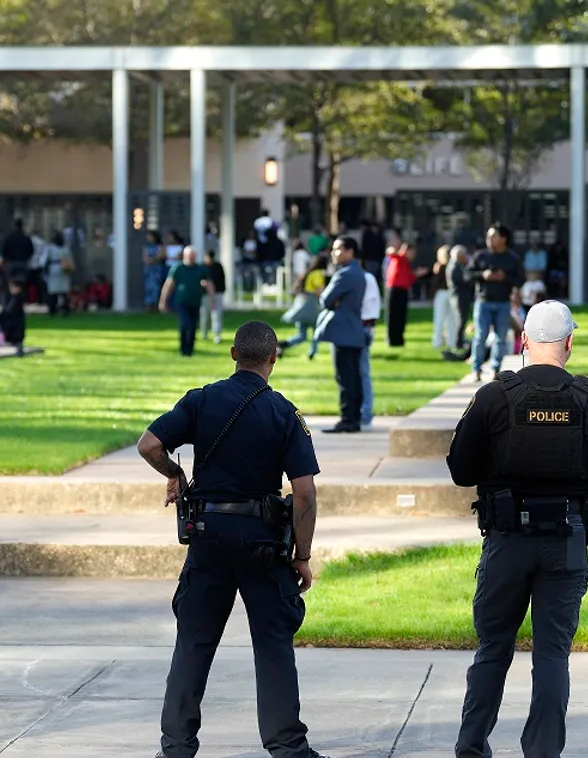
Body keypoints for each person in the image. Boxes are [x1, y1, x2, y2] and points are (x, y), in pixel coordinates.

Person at [447, 299, 588, 758]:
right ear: (570, 343)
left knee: (493, 649)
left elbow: (460, 469)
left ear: (523, 341)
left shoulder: (494, 397)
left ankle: (471, 748)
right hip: (567, 542)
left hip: (507, 541)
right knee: (552, 655)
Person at [135, 320, 328, 758]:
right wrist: (302, 555)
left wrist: (176, 474)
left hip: (207, 538)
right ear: (273, 357)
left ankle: (178, 746)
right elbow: (304, 493)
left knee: (194, 641)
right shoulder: (283, 412)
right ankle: (287, 746)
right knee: (273, 643)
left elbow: (149, 445)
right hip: (262, 543)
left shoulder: (201, 400)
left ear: (233, 355)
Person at [316, 237, 367, 433]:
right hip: (354, 331)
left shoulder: (344, 274)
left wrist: (334, 301)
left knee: (345, 378)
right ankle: (354, 418)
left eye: (337, 249)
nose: (333, 253)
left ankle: (347, 419)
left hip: (343, 332)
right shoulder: (359, 272)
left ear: (350, 252)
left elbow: (325, 300)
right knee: (353, 376)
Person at [467, 224, 526, 382]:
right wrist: (483, 275)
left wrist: (504, 277)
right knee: (480, 336)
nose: (489, 239)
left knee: (500, 337)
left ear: (503, 238)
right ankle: (476, 369)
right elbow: (468, 275)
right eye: (488, 236)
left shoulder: (512, 258)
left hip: (503, 302)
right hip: (483, 302)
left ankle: (495, 369)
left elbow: (521, 279)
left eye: (493, 236)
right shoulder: (480, 256)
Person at [160, 247, 214, 357]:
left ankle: (190, 350)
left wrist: (212, 300)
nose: (191, 257)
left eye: (193, 255)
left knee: (193, 325)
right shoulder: (178, 268)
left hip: (195, 301)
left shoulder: (200, 269)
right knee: (185, 324)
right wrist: (163, 301)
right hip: (182, 301)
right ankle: (183, 348)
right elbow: (169, 284)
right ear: (185, 255)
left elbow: (209, 284)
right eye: (190, 255)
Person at [280, 254, 326, 352]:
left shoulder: (307, 273)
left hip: (302, 306)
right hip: (312, 307)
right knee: (316, 331)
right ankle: (312, 352)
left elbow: (295, 288)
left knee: (302, 335)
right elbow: (319, 291)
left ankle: (285, 344)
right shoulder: (318, 274)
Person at [359, 263, 382, 430]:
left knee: (362, 371)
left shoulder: (366, 279)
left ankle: (366, 414)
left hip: (362, 327)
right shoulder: (366, 278)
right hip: (361, 326)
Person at [384, 243, 415, 348]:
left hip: (403, 290)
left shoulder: (406, 263)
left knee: (401, 316)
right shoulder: (399, 258)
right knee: (393, 315)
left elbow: (409, 278)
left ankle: (399, 339)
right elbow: (390, 252)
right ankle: (392, 339)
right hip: (394, 289)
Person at [445, 245, 473, 359]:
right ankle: (459, 342)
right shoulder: (454, 267)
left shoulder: (457, 266)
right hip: (459, 297)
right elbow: (465, 281)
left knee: (462, 320)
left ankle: (460, 341)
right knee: (461, 321)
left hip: (460, 297)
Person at [44, 233, 73, 317]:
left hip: (53, 269)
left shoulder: (50, 248)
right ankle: (65, 308)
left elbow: (45, 259)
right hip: (63, 269)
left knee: (53, 291)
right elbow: (69, 258)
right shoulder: (65, 249)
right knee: (64, 291)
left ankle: (52, 309)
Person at [431, 246, 454, 351]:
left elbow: (435, 283)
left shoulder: (439, 266)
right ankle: (451, 341)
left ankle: (437, 341)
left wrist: (432, 295)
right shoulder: (453, 266)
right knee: (451, 319)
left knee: (439, 319)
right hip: (451, 293)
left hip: (441, 293)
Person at [201, 249, 226, 344]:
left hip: (217, 294)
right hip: (205, 295)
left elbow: (222, 279)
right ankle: (204, 333)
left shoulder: (218, 266)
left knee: (217, 315)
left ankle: (217, 334)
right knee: (204, 315)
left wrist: (221, 291)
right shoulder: (202, 267)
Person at [0, 278, 27, 356]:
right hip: (16, 324)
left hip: (16, 325)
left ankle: (19, 352)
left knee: (17, 341)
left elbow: (10, 310)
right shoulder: (14, 297)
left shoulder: (17, 298)